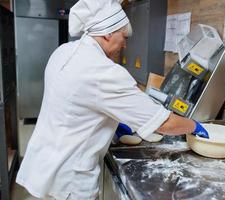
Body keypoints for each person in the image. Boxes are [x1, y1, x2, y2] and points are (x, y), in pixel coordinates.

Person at [16, 0, 208, 199]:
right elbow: (164, 123)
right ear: (107, 33)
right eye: (123, 36)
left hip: (46, 162)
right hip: (71, 178)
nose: (125, 44)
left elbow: (75, 104)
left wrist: (111, 122)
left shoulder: (63, 52)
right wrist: (195, 126)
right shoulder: (103, 72)